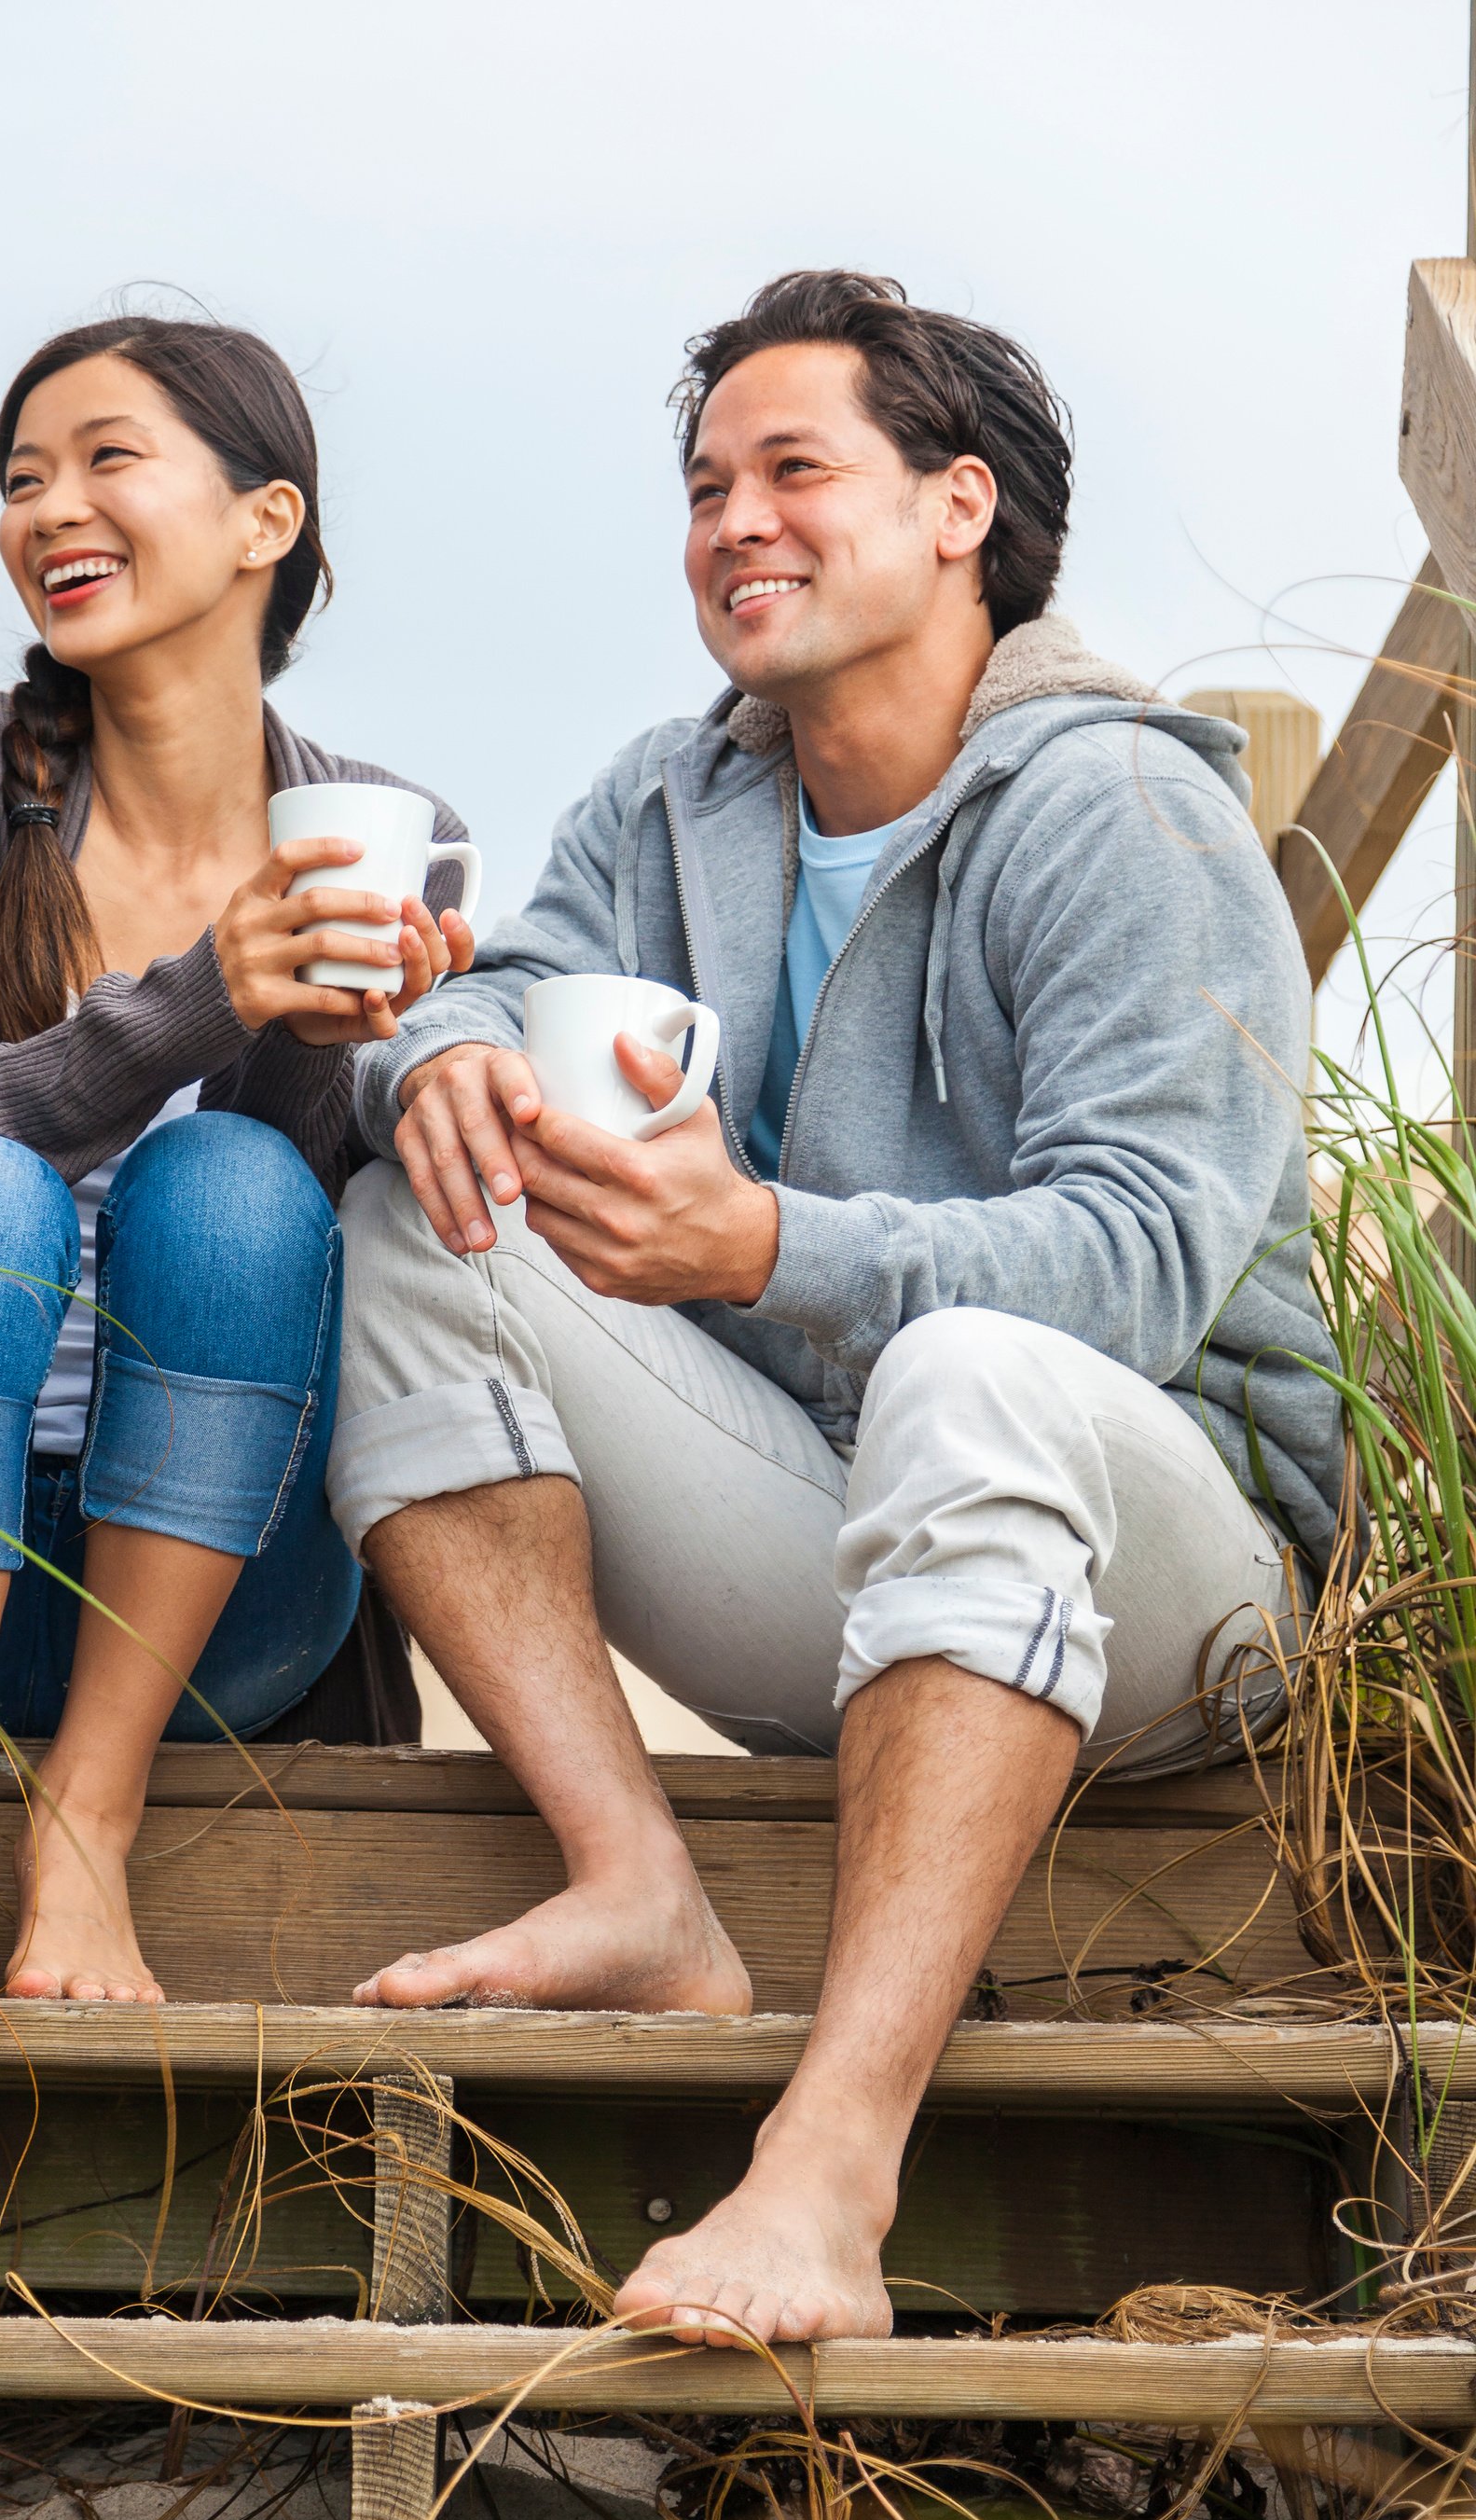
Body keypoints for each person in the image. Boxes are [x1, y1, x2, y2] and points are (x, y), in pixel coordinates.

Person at [326, 270, 1344, 2346]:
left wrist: (762, 1245)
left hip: (1174, 1591)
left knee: (978, 1365)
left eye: (796, 469)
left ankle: (828, 2169)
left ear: (960, 506)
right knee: (414, 1219)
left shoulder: (1124, 810)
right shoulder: (677, 793)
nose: (732, 524)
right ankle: (638, 1888)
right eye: (705, 486)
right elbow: (508, 980)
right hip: (850, 1548)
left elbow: (1142, 1262)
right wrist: (437, 1060)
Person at [0, 314, 472, 2106]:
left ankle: (88, 1823)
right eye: (21, 477)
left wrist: (338, 1045)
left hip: (208, 1621)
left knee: (238, 1180)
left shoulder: (385, 825)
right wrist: (205, 991)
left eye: (107, 458)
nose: (50, 506)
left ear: (264, 518)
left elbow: (287, 1233)